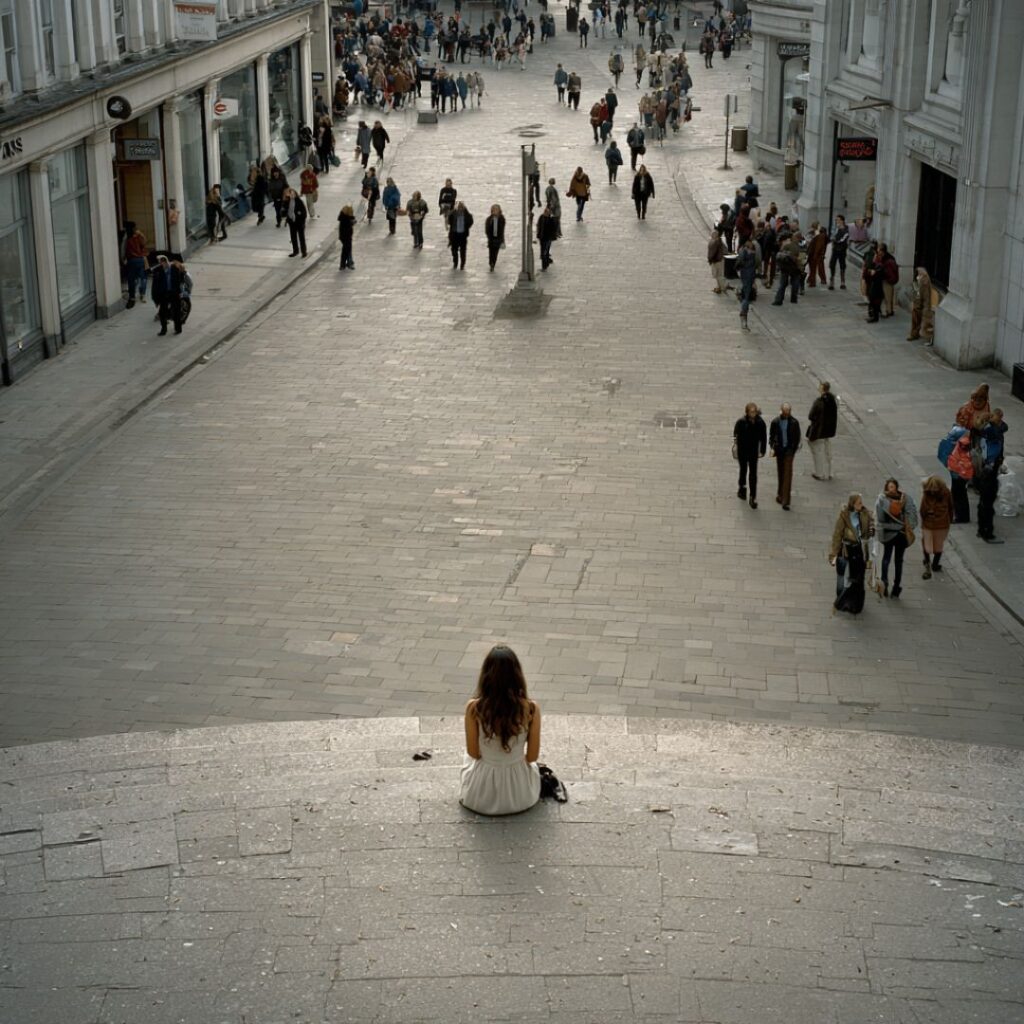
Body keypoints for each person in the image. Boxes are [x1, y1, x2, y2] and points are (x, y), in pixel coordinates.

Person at [459, 645, 541, 816]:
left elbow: (473, 753)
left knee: (466, 758)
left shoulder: (474, 708)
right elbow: (532, 757)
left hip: (480, 797)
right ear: (517, 675)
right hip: (521, 796)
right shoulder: (531, 708)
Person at [829, 494, 874, 614]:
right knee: (842, 576)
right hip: (846, 549)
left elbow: (869, 532)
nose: (861, 505)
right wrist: (833, 553)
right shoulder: (844, 516)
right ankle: (841, 601)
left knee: (858, 578)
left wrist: (871, 529)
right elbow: (837, 535)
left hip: (859, 550)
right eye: (859, 503)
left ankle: (855, 604)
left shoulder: (865, 514)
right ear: (852, 504)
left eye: (861, 502)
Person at [874, 478, 918, 599]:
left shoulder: (882, 499)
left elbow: (881, 519)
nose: (891, 489)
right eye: (890, 487)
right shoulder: (905, 498)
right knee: (898, 561)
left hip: (890, 534)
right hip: (902, 533)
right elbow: (912, 516)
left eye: (892, 487)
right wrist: (904, 525)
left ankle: (885, 584)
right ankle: (896, 588)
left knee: (887, 558)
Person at [733, 401, 766, 508]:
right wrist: (736, 445)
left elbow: (763, 438)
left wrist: (762, 451)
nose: (753, 414)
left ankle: (753, 496)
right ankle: (742, 488)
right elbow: (735, 434)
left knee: (753, 474)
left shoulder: (760, 423)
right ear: (747, 412)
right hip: (743, 451)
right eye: (751, 412)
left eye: (755, 412)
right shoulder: (741, 422)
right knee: (743, 471)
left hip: (753, 452)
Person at [919, 476, 953, 578]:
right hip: (939, 524)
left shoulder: (928, 494)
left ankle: (930, 563)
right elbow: (951, 507)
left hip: (935, 524)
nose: (933, 492)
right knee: (936, 544)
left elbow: (923, 510)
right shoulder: (946, 493)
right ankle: (933, 564)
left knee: (930, 544)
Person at [769, 403, 801, 510]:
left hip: (789, 452)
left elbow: (797, 437)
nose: (787, 413)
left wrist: (792, 450)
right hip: (779, 451)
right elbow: (772, 437)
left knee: (787, 474)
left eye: (788, 411)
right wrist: (773, 447)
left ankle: (785, 501)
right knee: (781, 472)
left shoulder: (794, 423)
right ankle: (780, 494)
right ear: (781, 411)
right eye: (785, 411)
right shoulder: (775, 422)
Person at [807, 381, 838, 481]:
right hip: (829, 431)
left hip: (819, 431)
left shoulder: (819, 401)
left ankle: (819, 473)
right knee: (828, 452)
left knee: (817, 452)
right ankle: (830, 473)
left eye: (820, 386)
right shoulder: (833, 400)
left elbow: (811, 416)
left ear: (822, 388)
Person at [150, 254, 185, 336]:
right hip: (164, 294)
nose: (162, 264)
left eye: (163, 261)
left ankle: (178, 329)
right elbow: (155, 285)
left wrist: (181, 290)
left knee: (176, 312)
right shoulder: (158, 271)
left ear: (166, 261)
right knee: (162, 313)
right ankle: (163, 330)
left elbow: (182, 275)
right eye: (161, 262)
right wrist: (156, 298)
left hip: (174, 293)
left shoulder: (174, 268)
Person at [122, 223, 148, 309]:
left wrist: (123, 259)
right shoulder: (139, 237)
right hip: (140, 260)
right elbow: (144, 243)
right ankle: (142, 294)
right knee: (143, 277)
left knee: (131, 279)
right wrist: (141, 234)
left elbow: (123, 249)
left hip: (131, 261)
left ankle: (132, 297)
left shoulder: (126, 238)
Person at [772, 232, 802, 305]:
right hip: (795, 267)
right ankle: (794, 298)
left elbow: (780, 254)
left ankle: (778, 300)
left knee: (782, 284)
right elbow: (802, 258)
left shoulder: (787, 245)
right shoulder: (800, 246)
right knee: (795, 283)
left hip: (785, 267)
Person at [907, 267, 934, 343]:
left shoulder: (924, 279)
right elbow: (916, 291)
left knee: (921, 320)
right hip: (918, 302)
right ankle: (914, 333)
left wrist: (926, 308)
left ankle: (919, 335)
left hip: (921, 303)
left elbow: (925, 296)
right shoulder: (919, 278)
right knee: (915, 318)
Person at [736, 239, 757, 330]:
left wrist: (737, 268)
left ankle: (743, 313)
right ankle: (744, 314)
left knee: (746, 294)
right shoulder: (754, 254)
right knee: (746, 296)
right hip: (750, 275)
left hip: (745, 273)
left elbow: (739, 261)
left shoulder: (743, 252)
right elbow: (758, 263)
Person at [283, 187, 308, 258]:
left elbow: (304, 213)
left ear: (295, 194)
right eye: (290, 193)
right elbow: (284, 210)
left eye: (293, 193)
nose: (292, 195)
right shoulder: (287, 201)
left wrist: (299, 215)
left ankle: (304, 251)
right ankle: (295, 251)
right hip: (292, 222)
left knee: (301, 237)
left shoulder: (299, 201)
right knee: (293, 237)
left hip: (299, 222)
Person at [448, 201, 474, 269]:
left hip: (463, 235)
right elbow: (449, 221)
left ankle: (462, 263)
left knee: (463, 250)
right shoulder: (453, 214)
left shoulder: (467, 215)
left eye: (461, 207)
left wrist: (466, 227)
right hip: (454, 234)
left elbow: (470, 222)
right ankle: (455, 262)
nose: (460, 209)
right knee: (454, 250)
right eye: (458, 207)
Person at [877, 243, 899, 317]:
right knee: (888, 295)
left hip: (888, 280)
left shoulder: (888, 259)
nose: (878, 251)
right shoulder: (887, 257)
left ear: (882, 251)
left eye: (879, 250)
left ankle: (888, 311)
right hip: (888, 279)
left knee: (888, 296)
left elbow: (889, 270)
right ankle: (889, 310)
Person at [864, 246, 885, 322]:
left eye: (876, 256)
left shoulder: (880, 266)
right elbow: (869, 271)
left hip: (877, 286)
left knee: (875, 301)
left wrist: (872, 272)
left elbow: (873, 273)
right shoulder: (876, 264)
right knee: (872, 300)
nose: (874, 257)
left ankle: (875, 317)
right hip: (874, 285)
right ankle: (873, 316)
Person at [828, 215, 849, 290]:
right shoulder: (835, 228)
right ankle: (832, 281)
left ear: (842, 220)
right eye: (836, 220)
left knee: (842, 264)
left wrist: (836, 240)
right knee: (832, 264)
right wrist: (834, 238)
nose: (837, 221)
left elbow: (844, 238)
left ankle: (842, 282)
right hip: (835, 249)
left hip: (842, 249)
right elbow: (832, 236)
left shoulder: (846, 229)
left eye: (838, 220)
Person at [485, 203, 506, 271]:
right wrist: (488, 236)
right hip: (491, 238)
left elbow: (502, 229)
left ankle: (493, 263)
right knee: (491, 252)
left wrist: (502, 239)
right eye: (494, 210)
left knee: (495, 252)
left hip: (498, 238)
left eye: (496, 210)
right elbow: (487, 228)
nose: (495, 211)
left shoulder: (501, 218)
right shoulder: (489, 219)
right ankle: (491, 263)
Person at [536, 204, 558, 270]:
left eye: (547, 212)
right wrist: (538, 234)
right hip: (542, 237)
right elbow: (538, 225)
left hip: (547, 238)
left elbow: (554, 229)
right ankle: (546, 263)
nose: (545, 213)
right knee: (544, 252)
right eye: (545, 212)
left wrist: (552, 237)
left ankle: (544, 266)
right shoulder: (541, 217)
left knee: (544, 252)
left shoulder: (551, 220)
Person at [708, 228, 727, 295]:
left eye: (712, 234)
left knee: (717, 275)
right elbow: (725, 250)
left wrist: (710, 259)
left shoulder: (714, 242)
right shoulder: (719, 241)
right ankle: (719, 287)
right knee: (719, 275)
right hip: (720, 260)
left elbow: (712, 253)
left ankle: (722, 287)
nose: (711, 235)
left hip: (716, 261)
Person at [338, 204, 356, 270]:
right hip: (347, 237)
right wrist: (352, 222)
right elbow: (351, 223)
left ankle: (346, 263)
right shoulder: (347, 219)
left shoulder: (342, 217)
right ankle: (347, 263)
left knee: (346, 250)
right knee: (347, 250)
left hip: (343, 237)